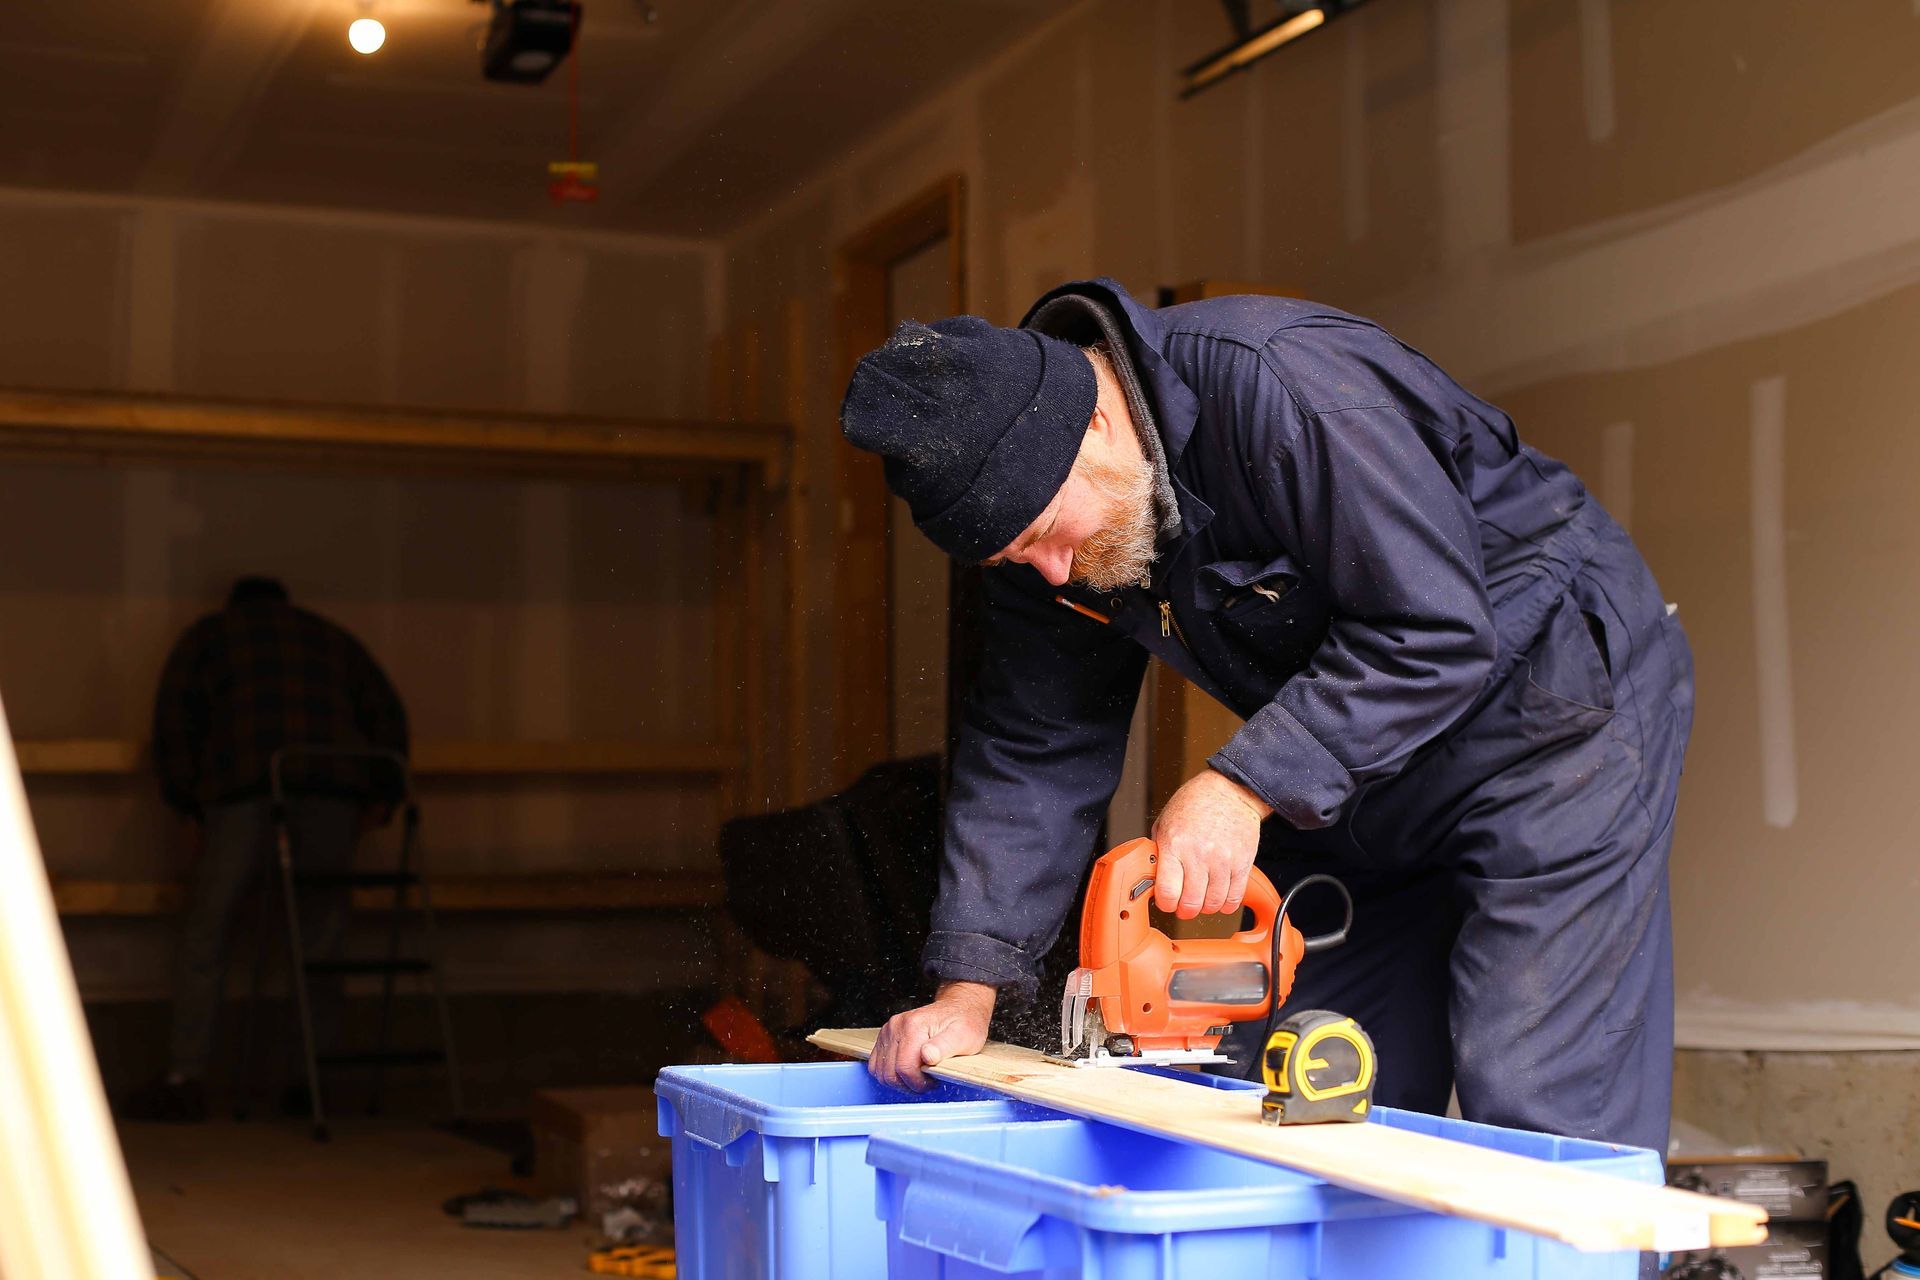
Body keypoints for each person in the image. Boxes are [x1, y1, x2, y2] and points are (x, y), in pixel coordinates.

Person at [839, 279, 1693, 1156]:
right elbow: (1034, 745)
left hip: (1548, 716)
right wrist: (969, 987)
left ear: (1092, 423)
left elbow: (1434, 625)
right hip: (1353, 760)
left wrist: (1243, 784)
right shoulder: (1046, 527)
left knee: (1540, 1096)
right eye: (1016, 556)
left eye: (1050, 534)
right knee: (1299, 1091)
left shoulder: (1284, 385)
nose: (1052, 573)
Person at [121, 576, 409, 1122]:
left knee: (209, 929)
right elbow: (388, 715)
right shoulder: (330, 637)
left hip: (245, 788)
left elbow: (175, 723)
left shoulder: (209, 637)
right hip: (331, 790)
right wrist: (383, 798)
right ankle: (311, 1082)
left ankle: (186, 1077)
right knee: (320, 935)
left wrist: (186, 807)